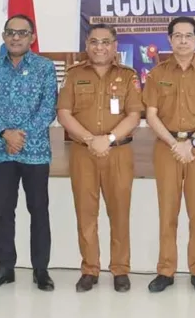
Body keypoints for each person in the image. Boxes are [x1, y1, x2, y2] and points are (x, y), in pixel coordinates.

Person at [56, 24, 143, 293]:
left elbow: (134, 115)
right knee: (86, 213)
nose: (100, 47)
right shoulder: (74, 75)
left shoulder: (128, 76)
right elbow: (64, 113)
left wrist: (109, 138)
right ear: (87, 45)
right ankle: (89, 269)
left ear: (115, 46)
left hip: (118, 153)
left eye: (106, 42)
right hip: (83, 153)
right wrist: (90, 139)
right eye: (94, 42)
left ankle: (120, 269)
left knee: (119, 213)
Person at [143, 16, 195, 293]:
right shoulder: (157, 74)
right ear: (169, 39)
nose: (183, 41)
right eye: (177, 36)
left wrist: (191, 142)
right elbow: (151, 115)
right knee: (168, 210)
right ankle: (165, 270)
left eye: (188, 36)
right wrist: (174, 143)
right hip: (167, 147)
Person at [0, 14, 57, 291]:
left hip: (35, 152)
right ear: (3, 36)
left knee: (39, 210)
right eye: (11, 32)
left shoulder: (45, 68)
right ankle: (4, 268)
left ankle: (41, 270)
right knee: (3, 212)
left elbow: (48, 108)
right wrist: (5, 134)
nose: (16, 37)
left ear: (32, 38)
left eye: (22, 33)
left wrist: (20, 137)